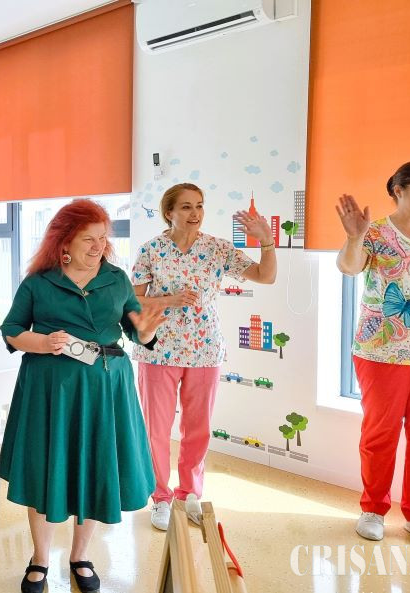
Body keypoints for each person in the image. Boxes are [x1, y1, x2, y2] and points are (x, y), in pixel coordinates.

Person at [0, 199, 165, 593]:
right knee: (47, 469)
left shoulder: (117, 279)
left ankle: (80, 556)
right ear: (64, 242)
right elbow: (12, 330)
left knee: (93, 465)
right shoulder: (38, 282)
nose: (98, 246)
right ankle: (40, 558)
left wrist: (145, 331)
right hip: (52, 390)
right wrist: (42, 342)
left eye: (102, 238)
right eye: (88, 239)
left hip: (105, 386)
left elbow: (137, 328)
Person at [130, 183, 276, 531]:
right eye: (185, 207)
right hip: (158, 349)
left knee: (198, 430)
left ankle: (189, 495)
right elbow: (132, 300)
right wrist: (168, 300)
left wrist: (267, 241)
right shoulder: (151, 250)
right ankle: (160, 498)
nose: (194, 213)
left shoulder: (217, 248)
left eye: (199, 206)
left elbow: (265, 276)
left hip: (205, 349)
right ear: (169, 212)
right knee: (156, 430)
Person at [336, 160, 410, 551]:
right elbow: (348, 268)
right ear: (398, 190)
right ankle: (373, 510)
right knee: (380, 433)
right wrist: (354, 238)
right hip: (381, 347)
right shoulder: (374, 232)